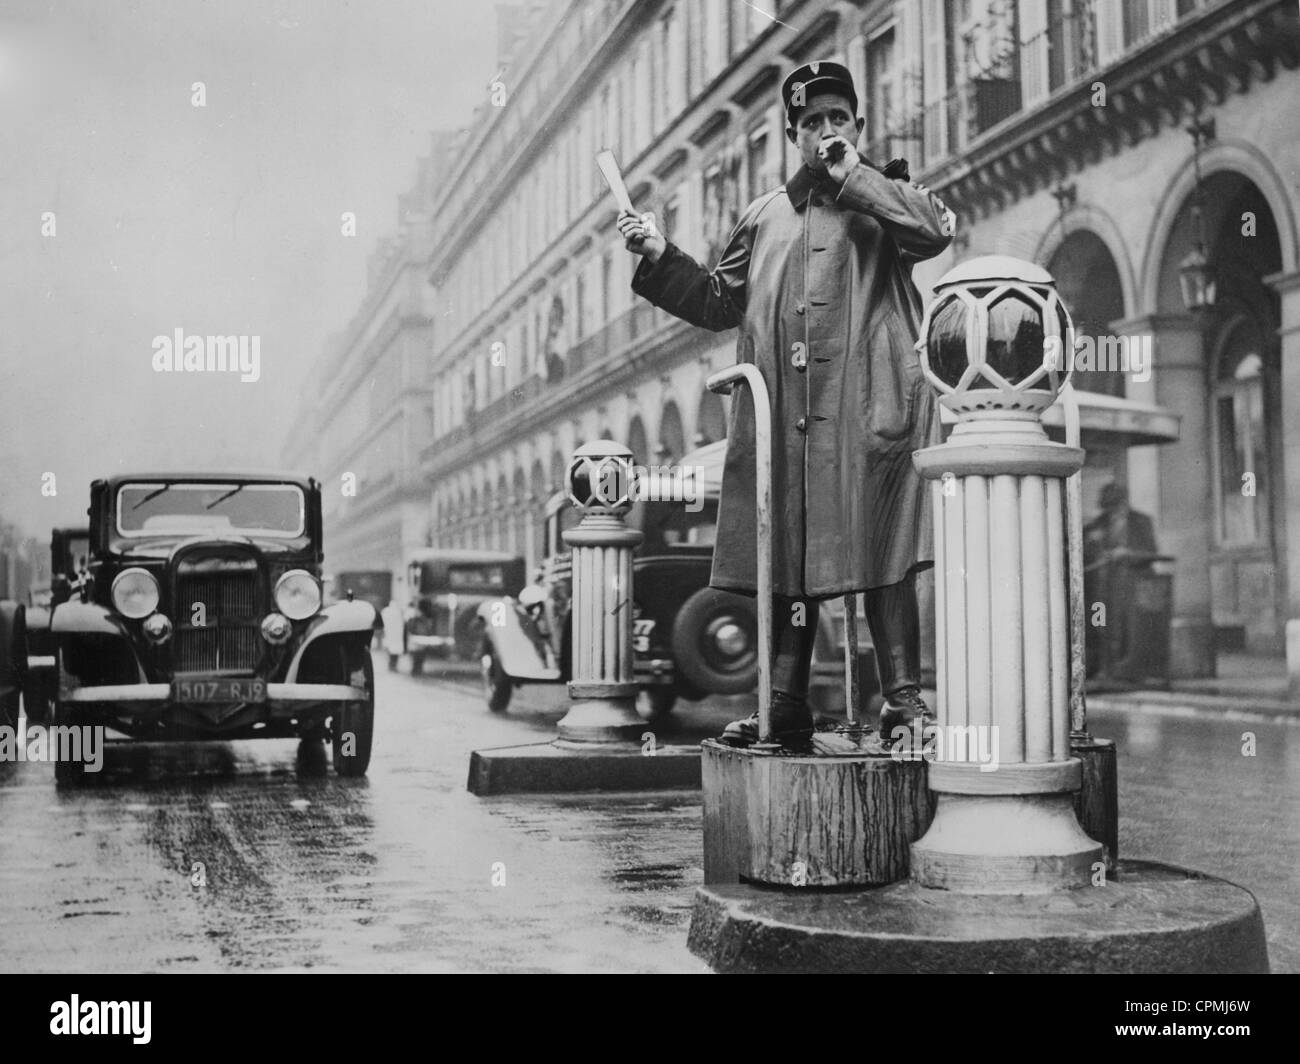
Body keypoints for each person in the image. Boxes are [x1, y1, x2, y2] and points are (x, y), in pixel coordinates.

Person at [619, 60, 953, 747]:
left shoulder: (887, 196)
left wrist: (858, 178)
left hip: (869, 410)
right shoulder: (764, 216)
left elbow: (934, 232)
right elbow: (718, 300)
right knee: (787, 562)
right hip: (785, 422)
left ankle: (903, 703)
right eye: (810, 123)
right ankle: (783, 701)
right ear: (792, 135)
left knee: (885, 548)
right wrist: (658, 252)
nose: (825, 132)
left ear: (857, 126)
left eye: (837, 119)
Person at [1083, 482, 1159, 681]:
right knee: (1099, 626)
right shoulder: (1098, 524)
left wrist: (1128, 554)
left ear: (1124, 503)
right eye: (1109, 510)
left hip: (1131, 586)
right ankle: (1102, 669)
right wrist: (1092, 542)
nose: (1112, 514)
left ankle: (1126, 671)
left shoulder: (1141, 521)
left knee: (1129, 629)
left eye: (1116, 509)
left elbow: (1151, 552)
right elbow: (1082, 549)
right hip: (1101, 588)